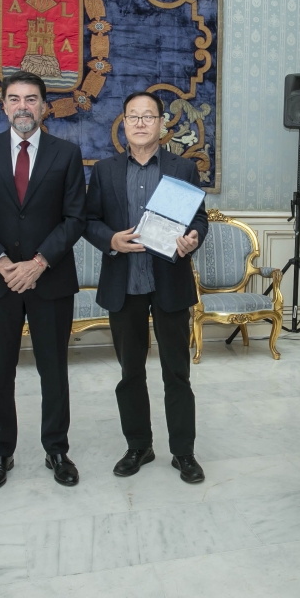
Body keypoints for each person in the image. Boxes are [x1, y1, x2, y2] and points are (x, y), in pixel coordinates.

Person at [0, 70, 86, 490]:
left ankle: (57, 448)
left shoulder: (66, 153)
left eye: (31, 99)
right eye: (15, 99)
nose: (23, 107)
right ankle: (0, 453)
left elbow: (74, 219)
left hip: (49, 280)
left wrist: (38, 262)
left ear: (45, 106)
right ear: (4, 105)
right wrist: (1, 262)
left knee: (54, 370)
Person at [84, 90, 209, 483]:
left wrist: (193, 238)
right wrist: (110, 240)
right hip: (124, 283)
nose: (140, 123)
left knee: (177, 372)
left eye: (148, 116)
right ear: (123, 123)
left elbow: (200, 220)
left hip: (169, 281)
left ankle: (183, 452)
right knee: (130, 372)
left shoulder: (181, 169)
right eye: (133, 116)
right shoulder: (104, 170)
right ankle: (139, 445)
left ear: (161, 124)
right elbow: (88, 220)